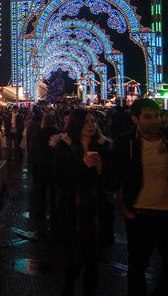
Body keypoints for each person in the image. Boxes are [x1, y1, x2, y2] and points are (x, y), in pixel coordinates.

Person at [112, 98, 168, 296]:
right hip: (139, 215)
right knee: (137, 268)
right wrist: (125, 209)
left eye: (156, 116)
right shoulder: (124, 142)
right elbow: (116, 179)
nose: (154, 121)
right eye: (148, 117)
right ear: (135, 119)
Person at [53, 108, 113, 296]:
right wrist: (82, 166)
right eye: (86, 122)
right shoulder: (63, 146)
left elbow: (111, 183)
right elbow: (58, 179)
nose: (91, 125)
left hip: (97, 210)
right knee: (72, 263)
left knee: (93, 264)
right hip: (72, 211)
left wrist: (102, 171)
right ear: (76, 124)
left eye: (93, 121)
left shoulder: (104, 146)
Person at [31, 111, 61, 217]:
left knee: (42, 187)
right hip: (53, 162)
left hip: (41, 163)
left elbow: (33, 148)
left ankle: (41, 208)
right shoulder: (58, 133)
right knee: (53, 187)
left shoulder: (38, 132)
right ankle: (53, 207)